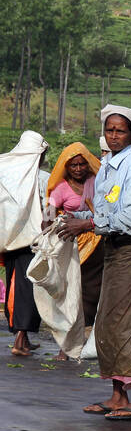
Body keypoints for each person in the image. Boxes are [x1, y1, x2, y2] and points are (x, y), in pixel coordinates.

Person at [59, 107, 131, 420]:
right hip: (116, 249)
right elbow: (103, 210)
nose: (113, 136)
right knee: (107, 321)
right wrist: (74, 218)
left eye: (120, 131)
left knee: (127, 323)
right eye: (109, 130)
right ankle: (118, 395)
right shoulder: (106, 165)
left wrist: (88, 226)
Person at [46, 142, 104, 352]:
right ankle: (67, 343)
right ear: (66, 167)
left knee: (92, 291)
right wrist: (53, 223)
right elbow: (48, 215)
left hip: (97, 243)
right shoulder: (61, 188)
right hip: (72, 245)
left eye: (82, 164)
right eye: (73, 165)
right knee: (72, 291)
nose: (78, 169)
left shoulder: (98, 183)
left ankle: (85, 338)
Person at [1, 132, 49, 357]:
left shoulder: (5, 173)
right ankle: (20, 339)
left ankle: (23, 338)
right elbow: (48, 210)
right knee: (28, 290)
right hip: (32, 242)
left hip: (10, 241)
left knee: (15, 287)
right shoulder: (43, 178)